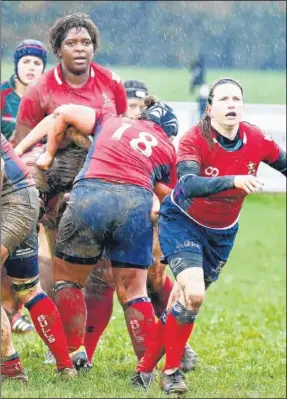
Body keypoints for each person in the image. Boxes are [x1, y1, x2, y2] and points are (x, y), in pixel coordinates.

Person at [134, 78, 287, 394]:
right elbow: (187, 184)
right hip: (183, 222)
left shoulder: (257, 139)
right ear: (210, 107)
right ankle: (172, 373)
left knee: (183, 301)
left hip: (222, 234)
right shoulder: (194, 139)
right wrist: (233, 180)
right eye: (224, 99)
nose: (231, 104)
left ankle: (144, 370)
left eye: (236, 99)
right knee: (196, 295)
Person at [34, 98, 178, 381]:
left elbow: (62, 112)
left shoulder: (111, 119)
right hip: (134, 203)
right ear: (168, 132)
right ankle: (145, 370)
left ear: (142, 118)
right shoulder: (169, 149)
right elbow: (168, 199)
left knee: (68, 280)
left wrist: (47, 156)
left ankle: (75, 353)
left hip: (91, 194)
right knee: (135, 292)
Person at [1, 134, 77, 381]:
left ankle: (11, 367)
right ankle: (65, 366)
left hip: (12, 205)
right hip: (23, 199)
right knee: (28, 289)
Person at [1, 39, 48, 335]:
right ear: (16, 65)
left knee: (29, 250)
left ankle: (17, 307)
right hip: (4, 178)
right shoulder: (3, 96)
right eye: (26, 61)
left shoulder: (46, 99)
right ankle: (9, 307)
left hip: (34, 179)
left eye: (38, 63)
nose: (31, 67)